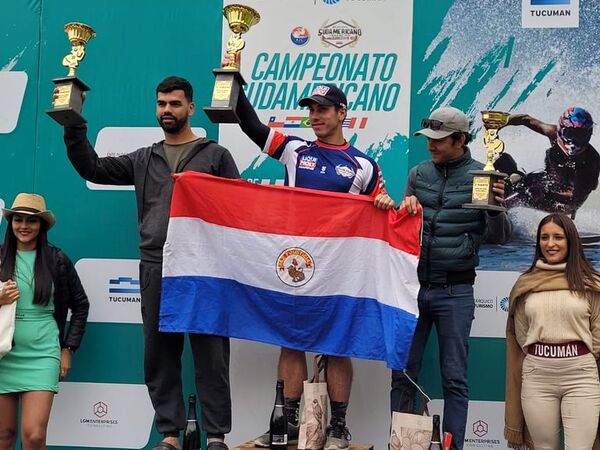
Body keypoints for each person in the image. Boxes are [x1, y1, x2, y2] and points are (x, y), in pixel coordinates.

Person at [60, 76, 239, 450]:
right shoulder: (144, 157)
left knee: (211, 355)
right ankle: (170, 434)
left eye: (175, 104)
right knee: (159, 354)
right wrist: (74, 125)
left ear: (191, 108)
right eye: (161, 104)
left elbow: (238, 211)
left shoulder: (215, 156)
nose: (167, 111)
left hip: (203, 269)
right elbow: (92, 168)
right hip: (156, 264)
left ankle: (217, 435)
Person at [234, 82, 394, 450]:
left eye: (323, 109)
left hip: (339, 269)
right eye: (311, 109)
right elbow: (250, 125)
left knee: (337, 345)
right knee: (290, 343)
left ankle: (337, 428)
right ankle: (289, 423)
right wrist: (234, 79)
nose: (315, 116)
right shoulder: (294, 150)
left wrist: (387, 204)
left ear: (342, 113)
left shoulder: (364, 165)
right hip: (297, 264)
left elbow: (382, 210)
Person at [390, 106, 511, 450]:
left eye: (439, 140)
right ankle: (400, 444)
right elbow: (401, 227)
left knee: (454, 378)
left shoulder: (482, 175)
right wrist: (404, 210)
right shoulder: (418, 174)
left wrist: (495, 210)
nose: (431, 146)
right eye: (428, 139)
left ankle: (452, 446)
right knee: (402, 373)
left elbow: (500, 236)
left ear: (460, 140)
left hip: (455, 290)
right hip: (412, 288)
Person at [0, 193, 89, 450]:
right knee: (4, 435)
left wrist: (68, 348)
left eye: (32, 221)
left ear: (42, 226)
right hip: (3, 354)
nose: (24, 226)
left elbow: (80, 305)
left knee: (34, 435)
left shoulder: (57, 260)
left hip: (42, 353)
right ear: (11, 222)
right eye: (18, 219)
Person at [505, 213, 600, 449]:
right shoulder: (525, 284)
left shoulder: (590, 282)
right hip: (537, 376)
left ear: (571, 241)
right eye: (544, 237)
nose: (550, 244)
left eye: (558, 237)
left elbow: (598, 334)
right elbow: (521, 333)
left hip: (581, 376)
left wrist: (575, 357)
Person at [494, 106, 600, 218]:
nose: (575, 141)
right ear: (561, 130)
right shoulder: (554, 133)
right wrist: (500, 123)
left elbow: (574, 199)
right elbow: (525, 119)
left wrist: (548, 193)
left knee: (521, 195)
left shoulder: (591, 162)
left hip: (564, 203)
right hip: (548, 181)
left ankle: (496, 220)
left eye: (580, 135)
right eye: (570, 133)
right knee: (505, 165)